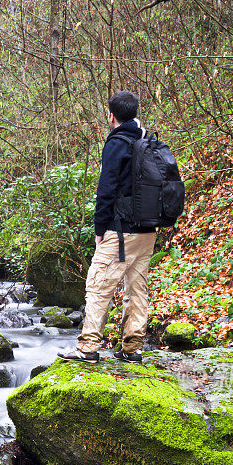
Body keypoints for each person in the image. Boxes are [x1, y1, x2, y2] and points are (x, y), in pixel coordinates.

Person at [58, 91, 156, 364]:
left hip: (120, 230)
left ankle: (88, 348)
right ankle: (133, 348)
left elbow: (106, 190)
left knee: (99, 284)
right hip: (147, 230)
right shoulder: (146, 139)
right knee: (137, 288)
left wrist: (100, 227)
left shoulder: (117, 143)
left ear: (110, 115)